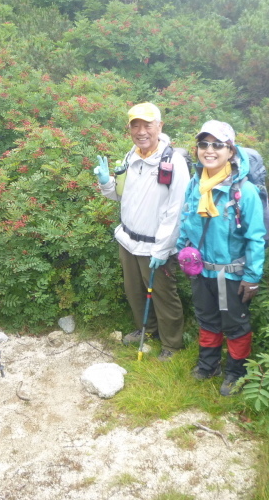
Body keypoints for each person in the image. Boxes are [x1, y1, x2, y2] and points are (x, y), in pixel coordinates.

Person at [177, 120, 266, 396]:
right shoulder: (196, 184)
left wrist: (252, 278)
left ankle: (236, 373)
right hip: (201, 270)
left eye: (218, 144)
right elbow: (186, 221)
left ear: (231, 150)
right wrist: (181, 252)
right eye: (204, 144)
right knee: (207, 319)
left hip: (232, 274)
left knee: (235, 325)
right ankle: (208, 366)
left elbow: (256, 237)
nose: (209, 150)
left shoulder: (244, 192)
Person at [94, 102, 188, 361]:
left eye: (147, 124)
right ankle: (147, 330)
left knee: (162, 294)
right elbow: (121, 194)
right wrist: (106, 183)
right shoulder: (131, 156)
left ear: (160, 126)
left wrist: (163, 248)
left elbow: (176, 210)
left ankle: (172, 343)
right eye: (135, 125)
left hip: (155, 245)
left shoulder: (173, 162)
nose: (141, 131)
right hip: (128, 240)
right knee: (134, 291)